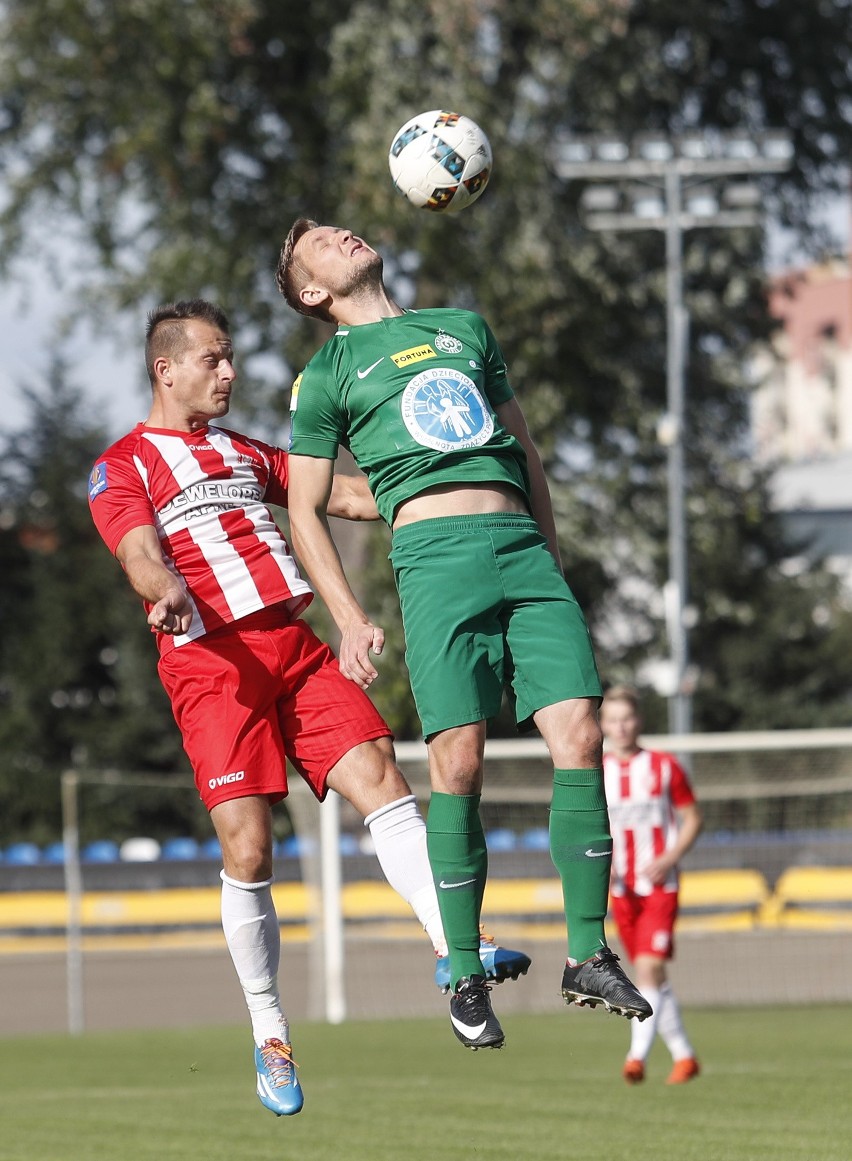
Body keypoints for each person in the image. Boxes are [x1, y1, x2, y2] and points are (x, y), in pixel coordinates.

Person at [87, 299, 530, 1116]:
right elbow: (139, 550)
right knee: (251, 853)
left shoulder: (249, 452)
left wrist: (457, 490)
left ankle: (454, 947)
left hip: (294, 647)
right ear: (167, 368)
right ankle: (270, 1032)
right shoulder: (125, 465)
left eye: (231, 358)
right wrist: (166, 589)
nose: (229, 372)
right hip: (212, 663)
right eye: (214, 358)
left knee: (384, 783)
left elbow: (348, 496)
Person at [275, 221, 651, 1051]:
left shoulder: (464, 328)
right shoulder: (328, 372)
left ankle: (587, 954)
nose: (345, 234)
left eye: (343, 229)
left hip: (521, 550)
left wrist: (549, 557)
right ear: (311, 293)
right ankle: (463, 968)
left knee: (583, 734)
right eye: (323, 246)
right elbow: (303, 508)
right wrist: (347, 613)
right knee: (459, 761)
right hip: (434, 560)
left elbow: (526, 450)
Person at [600, 685, 703, 1085]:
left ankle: (635, 1058)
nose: (621, 726)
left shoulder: (664, 766)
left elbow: (693, 818)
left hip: (661, 887)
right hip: (621, 890)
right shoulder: (597, 772)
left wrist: (669, 857)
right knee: (652, 979)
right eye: (613, 719)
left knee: (647, 969)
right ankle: (684, 1056)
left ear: (638, 721)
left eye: (627, 718)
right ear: (603, 724)